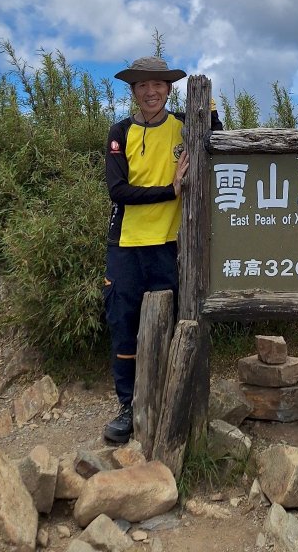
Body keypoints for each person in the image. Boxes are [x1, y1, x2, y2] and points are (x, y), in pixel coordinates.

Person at [102, 55, 222, 443]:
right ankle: (128, 406)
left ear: (169, 89)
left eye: (158, 84)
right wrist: (168, 190)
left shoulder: (184, 127)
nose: (150, 91)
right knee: (124, 324)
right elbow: (117, 191)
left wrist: (212, 108)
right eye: (142, 85)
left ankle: (174, 400)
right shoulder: (119, 132)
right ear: (133, 91)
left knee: (172, 322)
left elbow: (216, 144)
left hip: (170, 244)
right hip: (126, 245)